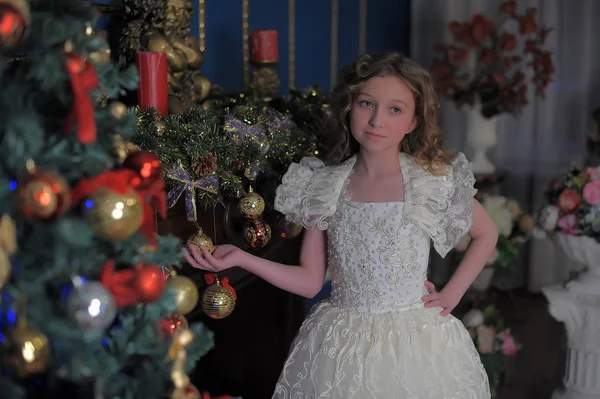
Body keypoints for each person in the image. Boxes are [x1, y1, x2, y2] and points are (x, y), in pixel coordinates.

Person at [184, 52, 498, 398]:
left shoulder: (431, 181)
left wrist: (451, 294)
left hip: (413, 341)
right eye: (367, 103)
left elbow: (486, 234)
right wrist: (243, 259)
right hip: (340, 344)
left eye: (395, 109)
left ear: (413, 121)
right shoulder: (324, 186)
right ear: (349, 107)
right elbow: (309, 280)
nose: (377, 120)